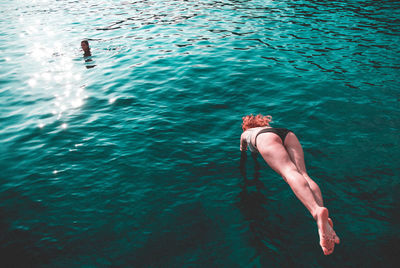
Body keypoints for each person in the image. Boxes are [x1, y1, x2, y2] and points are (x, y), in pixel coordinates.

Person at [240, 114, 340, 255]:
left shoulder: (247, 133)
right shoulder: (269, 127)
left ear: (247, 126)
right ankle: (320, 215)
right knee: (304, 174)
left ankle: (316, 212)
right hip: (286, 133)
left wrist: (244, 160)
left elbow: (243, 150)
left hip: (264, 139)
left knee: (288, 171)